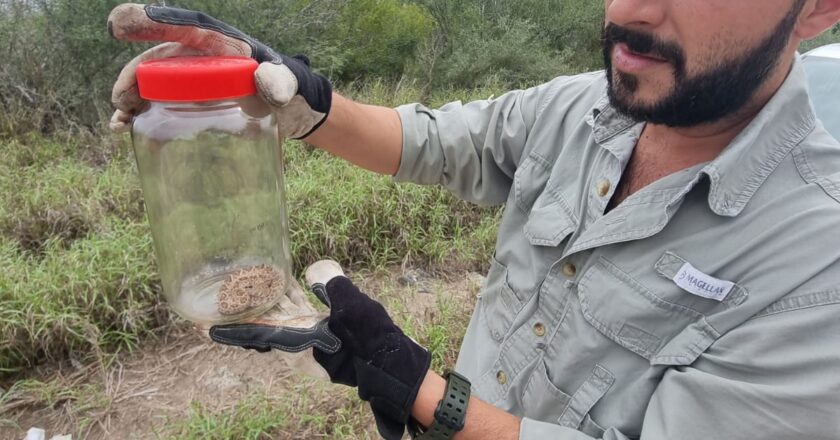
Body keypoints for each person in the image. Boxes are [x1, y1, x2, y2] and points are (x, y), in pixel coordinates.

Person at [108, 1, 840, 439]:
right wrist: (306, 104)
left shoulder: (817, 265)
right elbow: (438, 141)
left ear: (817, 10)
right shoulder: (588, 107)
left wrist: (412, 384)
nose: (632, 12)